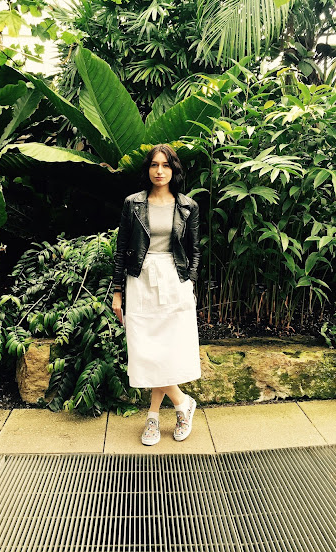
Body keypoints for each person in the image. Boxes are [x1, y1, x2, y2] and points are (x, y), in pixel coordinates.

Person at [112, 143, 201, 446]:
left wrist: (189, 282)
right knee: (146, 349)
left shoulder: (188, 206)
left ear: (174, 170)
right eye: (154, 165)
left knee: (167, 349)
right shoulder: (133, 204)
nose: (159, 171)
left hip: (175, 280)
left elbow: (194, 250)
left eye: (165, 165)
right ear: (148, 169)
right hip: (140, 280)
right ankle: (182, 403)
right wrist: (117, 292)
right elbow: (121, 250)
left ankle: (152, 416)